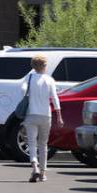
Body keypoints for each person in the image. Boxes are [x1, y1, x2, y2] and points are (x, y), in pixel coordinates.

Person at [21, 53, 62, 182]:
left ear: (33, 66)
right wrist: (59, 116)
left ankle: (35, 167)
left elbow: (22, 90)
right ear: (44, 66)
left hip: (31, 114)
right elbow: (55, 98)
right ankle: (43, 173)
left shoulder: (29, 78)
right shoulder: (49, 80)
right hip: (46, 115)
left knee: (32, 143)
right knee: (43, 144)